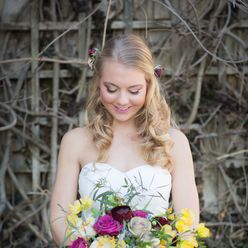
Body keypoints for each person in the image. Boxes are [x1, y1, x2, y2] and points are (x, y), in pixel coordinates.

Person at [50, 34, 199, 246]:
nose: (122, 100)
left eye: (134, 90)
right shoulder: (75, 142)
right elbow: (59, 220)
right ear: (98, 83)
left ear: (149, 86)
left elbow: (188, 226)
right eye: (111, 89)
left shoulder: (174, 143)